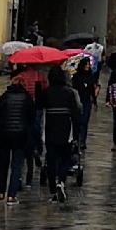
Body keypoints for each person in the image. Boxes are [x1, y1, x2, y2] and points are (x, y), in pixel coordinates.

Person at [0, 69, 35, 202]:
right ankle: (11, 195)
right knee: (17, 164)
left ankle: (1, 192)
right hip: (20, 135)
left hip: (4, 134)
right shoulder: (27, 98)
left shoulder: (5, 96)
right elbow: (31, 118)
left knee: (3, 164)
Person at [40, 67, 79, 202]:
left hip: (50, 128)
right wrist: (77, 134)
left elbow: (38, 106)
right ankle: (61, 181)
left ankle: (53, 190)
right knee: (65, 158)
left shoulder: (46, 93)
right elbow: (75, 114)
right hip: (65, 129)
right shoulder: (69, 93)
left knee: (51, 160)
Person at [73, 55, 97, 150]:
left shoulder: (90, 76)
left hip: (87, 100)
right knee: (78, 120)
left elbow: (92, 89)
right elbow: (75, 87)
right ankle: (77, 138)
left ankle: (83, 140)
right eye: (86, 64)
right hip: (78, 100)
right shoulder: (76, 76)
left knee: (85, 121)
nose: (88, 66)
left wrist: (94, 101)